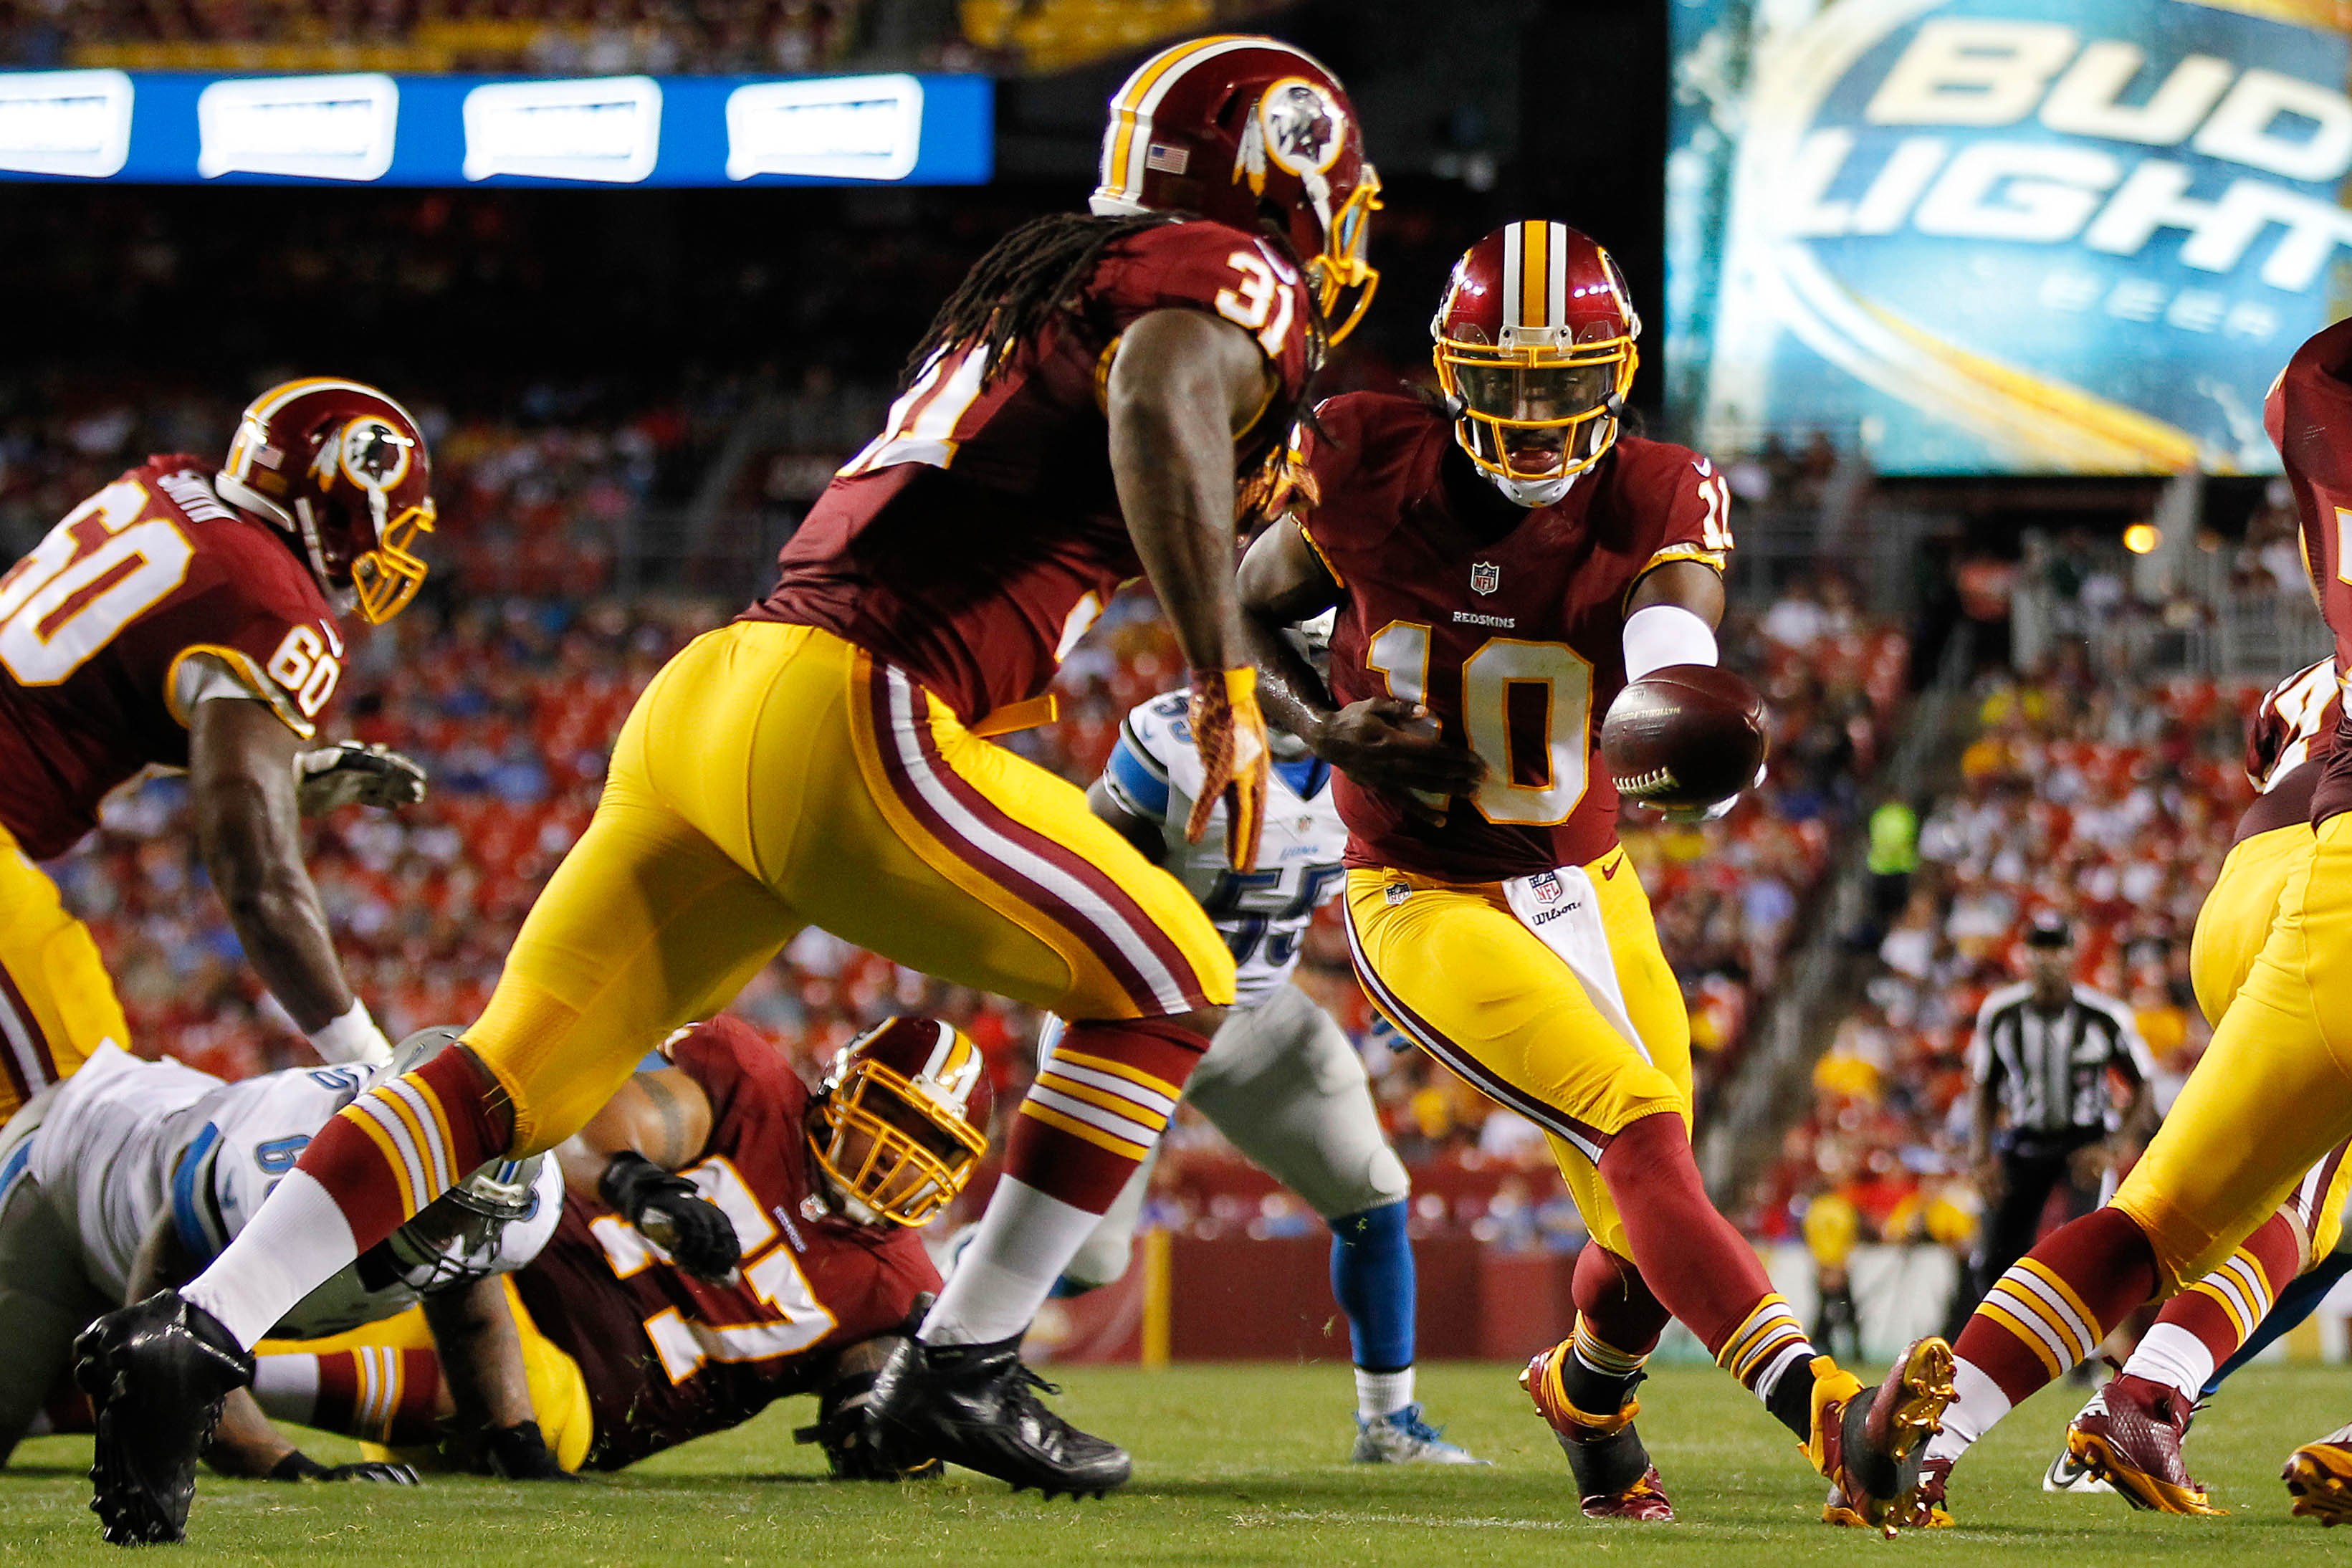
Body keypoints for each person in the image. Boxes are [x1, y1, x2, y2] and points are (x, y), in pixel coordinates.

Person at [74, 34, 1385, 1541]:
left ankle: (194, 1332)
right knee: (1169, 973)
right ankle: (963, 1358)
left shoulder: (1052, 289)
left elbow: (1146, 477)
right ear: (1282, 165)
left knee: (512, 1080)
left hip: (718, 694)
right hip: (853, 703)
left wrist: (1296, 696)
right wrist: (1224, 681)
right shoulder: (1220, 277)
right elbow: (1162, 392)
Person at [1235, 219, 1952, 1530]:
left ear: (1614, 373)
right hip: (1427, 892)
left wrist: (1677, 691)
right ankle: (1827, 1413)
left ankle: (1587, 1392)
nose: (1529, 408)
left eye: (1562, 378)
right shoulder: (1360, 458)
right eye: (1499, 380)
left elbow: (1674, 615)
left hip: (1587, 877)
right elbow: (1246, 603)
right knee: (1632, 1128)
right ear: (1448, 372)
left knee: (1649, 1196)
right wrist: (1319, 720)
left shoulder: (1654, 491)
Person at [1905, 318, 2352, 1531]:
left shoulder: (2324, 416)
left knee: (2229, 1203)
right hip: (2329, 885)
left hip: (2276, 887)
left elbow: (2279, 728)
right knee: (2296, 1199)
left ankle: (1994, 1425)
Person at [1042, 659, 1478, 1463]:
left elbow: (1390, 884)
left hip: (1259, 1010)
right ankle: (939, 1304)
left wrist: (1402, 983)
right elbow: (1078, 877)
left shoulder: (1366, 757)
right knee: (1086, 1257)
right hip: (1132, 1013)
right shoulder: (1174, 740)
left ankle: (1388, 1422)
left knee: (1374, 1192)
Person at [244, 1015, 993, 1479]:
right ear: (843, 1088)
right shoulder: (755, 1091)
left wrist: (890, 1416)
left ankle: (228, 1377)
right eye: (892, 1115)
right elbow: (589, 1129)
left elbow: (879, 1393)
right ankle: (205, 1343)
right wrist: (637, 1182)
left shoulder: (901, 1287)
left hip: (563, 1407)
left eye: (931, 1142)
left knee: (540, 1403)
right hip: (499, 1275)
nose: (900, 1153)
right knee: (451, 1204)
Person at [0, 378, 436, 1119]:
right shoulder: (277, 610)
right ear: (335, 503)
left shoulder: (172, 480)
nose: (393, 550)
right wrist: (372, 1063)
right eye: (391, 524)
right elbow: (256, 880)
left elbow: (111, 679)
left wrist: (281, 774)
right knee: (77, 1126)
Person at [2030, 657, 2352, 1517]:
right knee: (2304, 1212)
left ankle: (2160, 1378)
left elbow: (2276, 760)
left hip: (2245, 894)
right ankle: (2147, 1393)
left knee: (2303, 1223)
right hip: (2330, 897)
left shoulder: (2305, 679)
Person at [0, 1031, 559, 1482]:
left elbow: (472, 1310)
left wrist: (516, 1446)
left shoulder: (519, 1189)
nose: (459, 1233)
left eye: (477, 1212)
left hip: (168, 1128)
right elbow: (165, 1315)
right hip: (67, 1167)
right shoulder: (266, 1172)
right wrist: (288, 1468)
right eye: (448, 1207)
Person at [1954, 912, 2155, 1333]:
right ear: (2024, 954)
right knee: (1995, 1254)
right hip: (2024, 1142)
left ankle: (2081, 1352)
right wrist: (1980, 1155)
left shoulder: (2104, 1015)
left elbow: (2143, 1085)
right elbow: (1984, 1086)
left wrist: (2115, 1146)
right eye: (2040, 948)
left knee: (2088, 1250)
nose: (2048, 959)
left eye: (2056, 948)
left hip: (2084, 1143)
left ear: (2073, 955)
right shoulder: (2001, 1013)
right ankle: (2006, 1344)